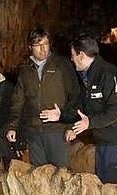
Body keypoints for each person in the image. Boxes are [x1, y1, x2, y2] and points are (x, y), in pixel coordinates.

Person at [39, 33, 117, 186]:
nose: (71, 59)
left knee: (115, 192)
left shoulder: (109, 74)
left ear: (81, 55)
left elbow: (115, 111)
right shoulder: (88, 78)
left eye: (73, 55)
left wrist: (89, 123)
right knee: (104, 188)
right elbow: (82, 109)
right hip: (103, 142)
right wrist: (62, 116)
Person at [6, 27, 80, 167]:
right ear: (30, 47)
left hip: (58, 131)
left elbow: (74, 96)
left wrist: (72, 126)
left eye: (46, 44)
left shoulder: (61, 65)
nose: (43, 49)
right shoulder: (25, 70)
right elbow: (18, 100)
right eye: (38, 45)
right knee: (39, 177)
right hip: (34, 132)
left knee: (61, 175)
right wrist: (13, 127)